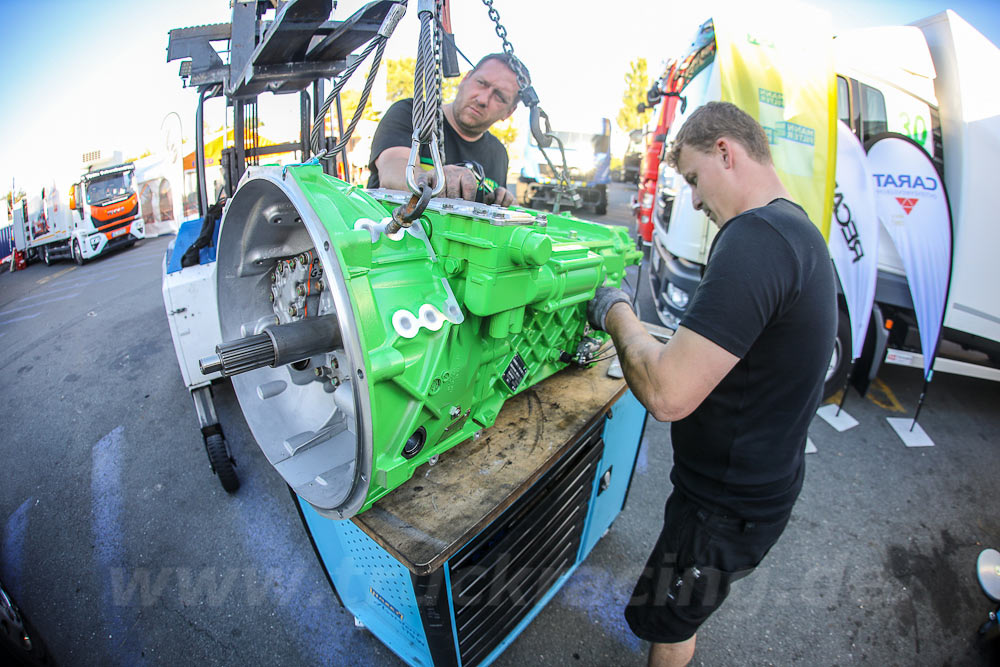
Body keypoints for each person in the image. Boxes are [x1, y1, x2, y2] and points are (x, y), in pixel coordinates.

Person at [587, 101, 836, 667]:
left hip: (724, 509)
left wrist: (617, 310)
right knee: (681, 615)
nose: (694, 200)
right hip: (750, 493)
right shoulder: (798, 231)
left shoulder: (757, 237)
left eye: (695, 179)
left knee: (669, 624)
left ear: (726, 150)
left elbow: (667, 394)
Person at [367, 53, 525, 206]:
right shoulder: (412, 114)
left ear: (509, 112)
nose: (483, 99)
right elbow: (392, 171)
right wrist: (432, 180)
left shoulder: (498, 153)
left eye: (499, 97)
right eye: (481, 83)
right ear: (465, 79)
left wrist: (502, 201)